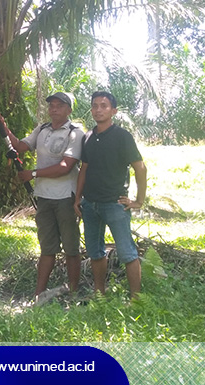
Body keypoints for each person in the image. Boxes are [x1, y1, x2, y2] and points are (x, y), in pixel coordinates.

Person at [0, 92, 84, 299]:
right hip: (44, 197)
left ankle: (73, 290)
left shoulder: (75, 133)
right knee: (47, 247)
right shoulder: (42, 129)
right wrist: (4, 127)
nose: (54, 109)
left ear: (69, 110)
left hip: (65, 197)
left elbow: (66, 166)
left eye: (60, 105)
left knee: (71, 247)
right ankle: (39, 293)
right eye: (51, 105)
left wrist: (32, 174)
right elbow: (20, 146)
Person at [74, 91, 147, 299]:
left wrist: (139, 201)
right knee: (95, 252)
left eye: (104, 106)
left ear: (113, 111)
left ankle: (136, 299)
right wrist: (78, 198)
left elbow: (140, 168)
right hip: (90, 205)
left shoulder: (122, 137)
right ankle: (99, 294)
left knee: (127, 253)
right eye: (95, 105)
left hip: (115, 204)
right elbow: (84, 169)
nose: (98, 109)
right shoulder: (88, 137)